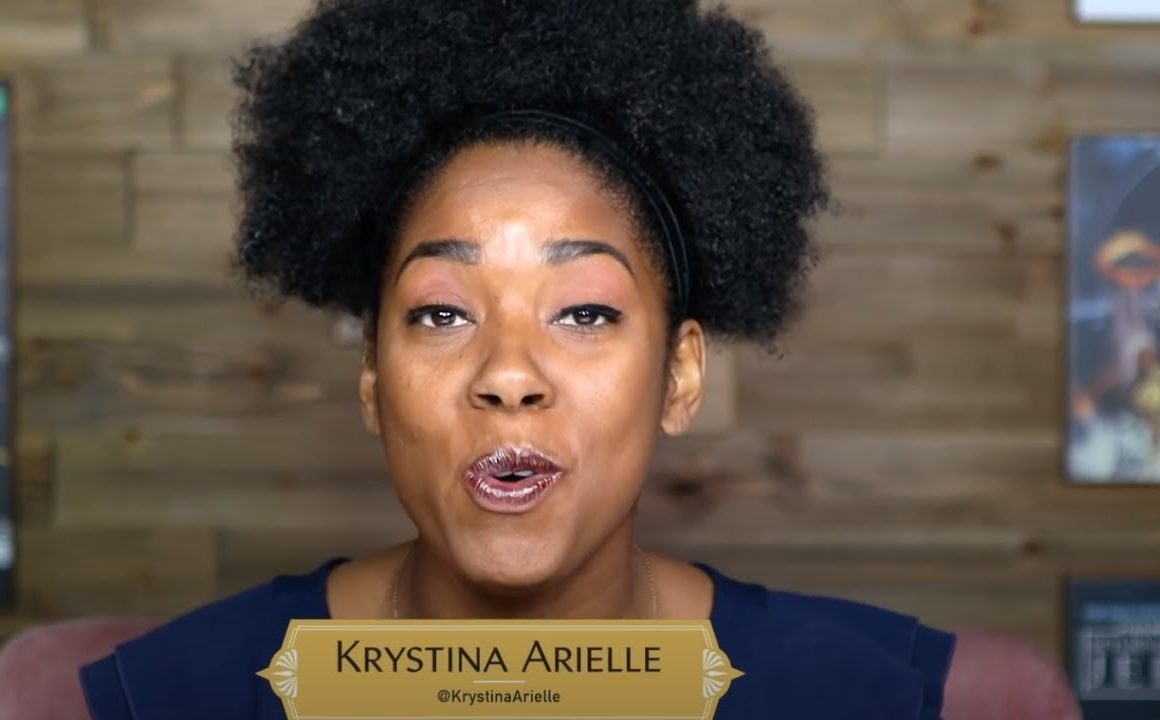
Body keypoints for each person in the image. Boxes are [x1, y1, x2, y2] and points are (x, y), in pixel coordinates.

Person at [79, 0, 957, 717]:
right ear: (373, 380)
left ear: (680, 377)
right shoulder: (185, 694)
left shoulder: (852, 693)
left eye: (583, 312)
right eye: (442, 313)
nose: (507, 375)